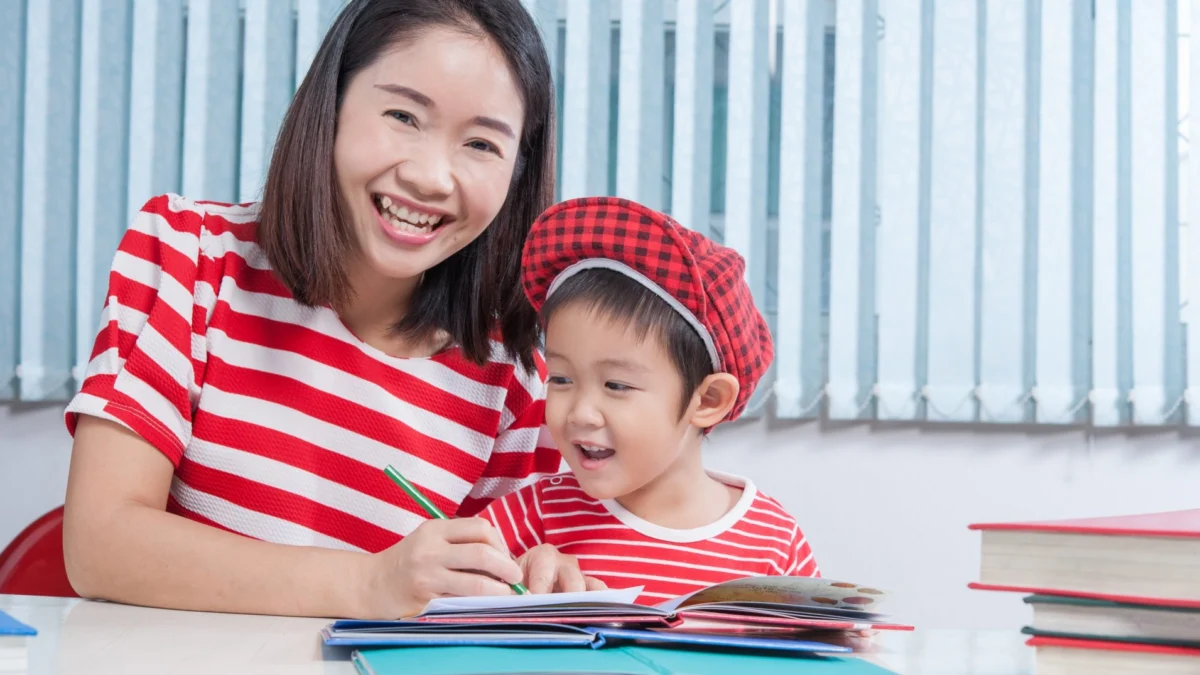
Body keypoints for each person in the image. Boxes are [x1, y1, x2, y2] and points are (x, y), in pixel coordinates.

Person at [61, 0, 590, 620]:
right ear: (330, 105)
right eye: (403, 115)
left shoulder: (515, 377)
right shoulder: (190, 256)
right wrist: (370, 584)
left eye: (480, 143)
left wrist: (533, 577)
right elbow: (100, 545)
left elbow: (480, 605)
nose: (431, 178)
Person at [482, 197, 820, 604]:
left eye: (617, 386)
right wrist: (512, 580)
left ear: (708, 399)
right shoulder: (531, 518)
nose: (580, 413)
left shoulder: (772, 542)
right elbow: (436, 613)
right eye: (562, 378)